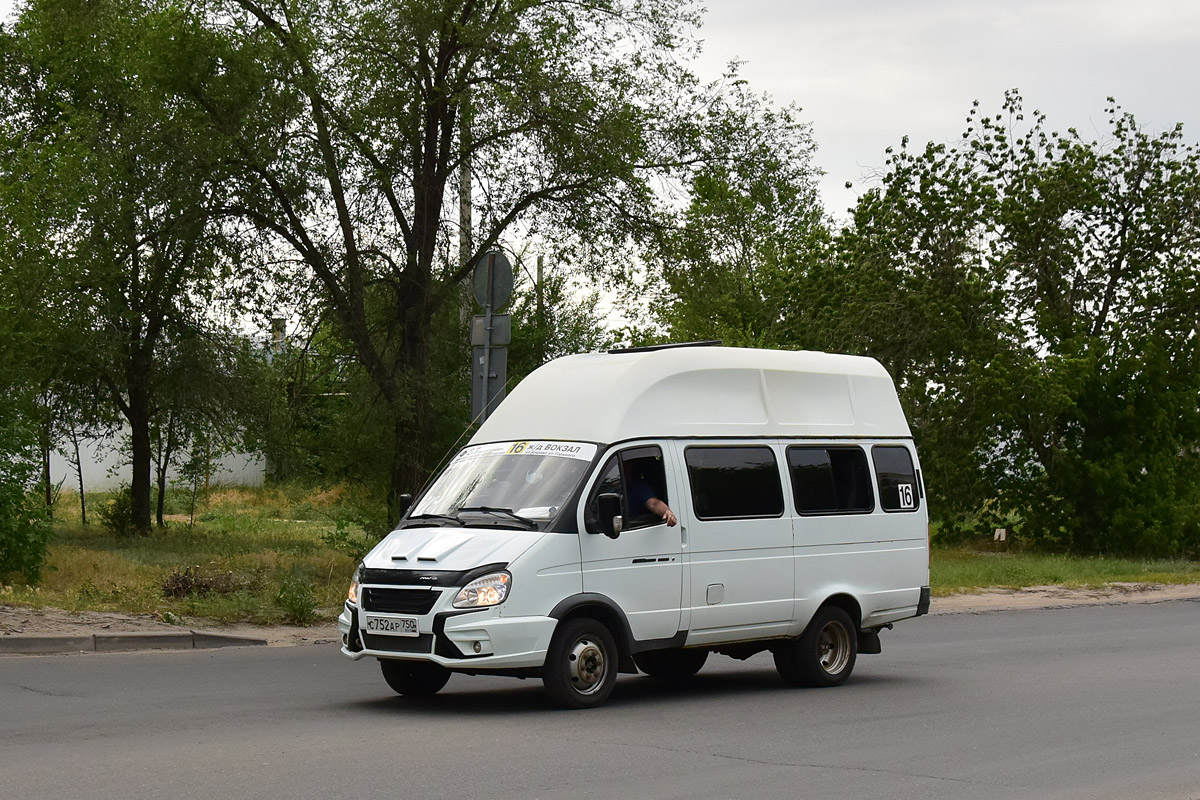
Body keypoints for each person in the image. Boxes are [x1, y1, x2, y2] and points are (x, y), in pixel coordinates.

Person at [626, 462, 677, 527]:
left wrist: (667, 512)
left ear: (629, 467)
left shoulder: (638, 487)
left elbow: (654, 503)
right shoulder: (616, 486)